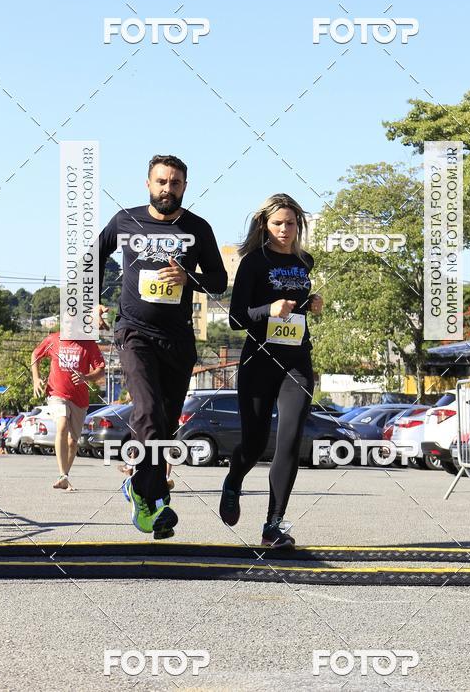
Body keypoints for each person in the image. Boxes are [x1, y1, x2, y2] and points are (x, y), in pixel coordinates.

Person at [98, 154, 227, 538]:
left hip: (178, 338)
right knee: (149, 412)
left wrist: (190, 278)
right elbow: (92, 257)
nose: (167, 189)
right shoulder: (125, 220)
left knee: (166, 426)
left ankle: (147, 500)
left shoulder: (197, 228)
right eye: (160, 182)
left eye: (174, 183)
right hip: (134, 332)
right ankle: (148, 494)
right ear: (148, 184)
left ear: (184, 187)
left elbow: (219, 280)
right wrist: (93, 301)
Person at [219, 193, 323, 548]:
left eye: (290, 223)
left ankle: (273, 526)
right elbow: (236, 319)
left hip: (296, 360)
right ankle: (234, 479)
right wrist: (269, 309)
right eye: (278, 223)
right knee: (254, 442)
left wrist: (312, 304)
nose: (284, 229)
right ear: (265, 225)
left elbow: (297, 307)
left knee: (291, 439)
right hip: (258, 360)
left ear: (299, 225)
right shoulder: (252, 262)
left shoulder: (305, 261)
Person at [31, 331, 106, 490]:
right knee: (62, 425)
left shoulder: (88, 343)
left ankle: (64, 476)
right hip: (56, 394)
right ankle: (62, 474)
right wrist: (36, 379)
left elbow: (100, 369)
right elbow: (35, 355)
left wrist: (85, 377)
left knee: (73, 442)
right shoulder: (53, 339)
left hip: (80, 400)